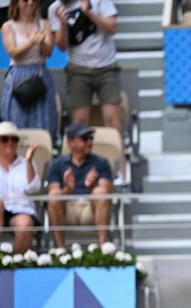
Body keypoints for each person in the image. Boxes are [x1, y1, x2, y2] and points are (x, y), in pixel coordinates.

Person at [48, 0, 125, 180]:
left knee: (113, 120)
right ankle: (77, 176)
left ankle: (121, 175)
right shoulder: (54, 9)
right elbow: (61, 46)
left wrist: (89, 13)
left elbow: (112, 29)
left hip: (106, 67)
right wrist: (63, 25)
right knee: (79, 124)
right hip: (78, 70)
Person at [46, 123, 112, 246]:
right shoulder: (57, 164)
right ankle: (60, 250)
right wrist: (68, 189)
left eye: (91, 138)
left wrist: (92, 187)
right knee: (54, 195)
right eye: (85, 138)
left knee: (100, 192)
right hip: (67, 210)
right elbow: (52, 191)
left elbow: (107, 190)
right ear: (71, 142)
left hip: (90, 209)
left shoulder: (101, 162)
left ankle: (104, 249)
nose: (89, 142)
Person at [1, 0, 57, 141]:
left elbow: (49, 52)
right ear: (16, 3)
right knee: (16, 122)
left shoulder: (44, 24)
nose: (30, 3)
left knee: (43, 121)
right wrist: (31, 41)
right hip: (18, 77)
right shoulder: (8, 26)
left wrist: (42, 41)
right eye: (25, 0)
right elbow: (13, 52)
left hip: (39, 74)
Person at [0, 122, 40, 253]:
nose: (10, 143)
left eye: (14, 139)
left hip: (21, 210)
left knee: (25, 224)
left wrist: (28, 162)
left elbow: (34, 189)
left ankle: (13, 263)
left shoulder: (27, 163)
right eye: (5, 139)